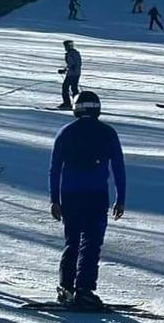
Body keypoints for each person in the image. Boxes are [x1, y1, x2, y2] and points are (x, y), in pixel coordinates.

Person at [49, 91, 126, 308]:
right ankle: (84, 289)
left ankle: (66, 287)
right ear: (97, 108)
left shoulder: (66, 132)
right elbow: (118, 167)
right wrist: (121, 198)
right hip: (97, 194)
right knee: (91, 242)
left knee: (72, 241)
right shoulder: (107, 132)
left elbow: (55, 168)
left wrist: (54, 198)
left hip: (71, 194)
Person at [57, 40, 82, 109]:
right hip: (77, 73)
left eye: (65, 46)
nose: (65, 47)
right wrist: (65, 70)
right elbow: (76, 64)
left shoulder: (70, 54)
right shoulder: (76, 53)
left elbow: (71, 64)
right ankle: (77, 103)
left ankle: (67, 103)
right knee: (74, 88)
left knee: (65, 88)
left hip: (72, 74)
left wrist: (66, 70)